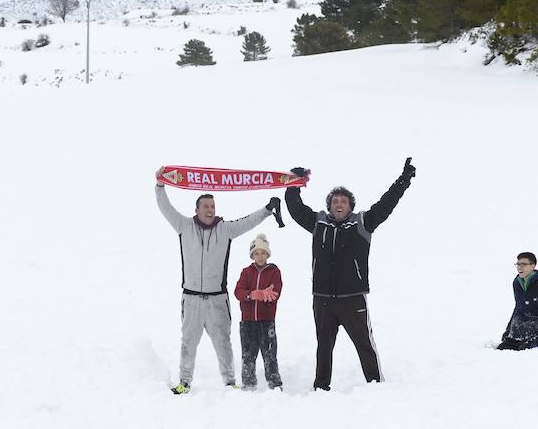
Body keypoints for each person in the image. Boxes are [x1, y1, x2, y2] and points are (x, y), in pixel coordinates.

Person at [285, 158, 416, 391]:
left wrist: (403, 180)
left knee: (365, 345)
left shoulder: (363, 223)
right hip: (323, 298)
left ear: (350, 206)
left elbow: (386, 204)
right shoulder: (318, 223)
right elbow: (296, 210)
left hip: (353, 298)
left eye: (343, 201)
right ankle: (321, 388)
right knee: (323, 347)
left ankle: (376, 386)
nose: (339, 203)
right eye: (335, 200)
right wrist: (293, 184)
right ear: (329, 205)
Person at [155, 168, 280, 394]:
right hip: (191, 299)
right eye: (206, 206)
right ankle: (184, 382)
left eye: (212, 206)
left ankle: (230, 381)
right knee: (188, 343)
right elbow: (166, 209)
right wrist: (160, 185)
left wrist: (267, 210)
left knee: (223, 343)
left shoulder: (225, 230)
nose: (210, 210)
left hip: (217, 300)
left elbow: (249, 221)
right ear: (197, 209)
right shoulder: (185, 227)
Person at [234, 233, 283, 391]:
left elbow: (275, 292)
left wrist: (267, 296)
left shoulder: (274, 272)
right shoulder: (246, 272)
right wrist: (252, 294)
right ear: (252, 255)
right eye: (256, 253)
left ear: (267, 254)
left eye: (263, 252)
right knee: (248, 355)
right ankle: (248, 384)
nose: (260, 256)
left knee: (269, 354)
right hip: (247, 322)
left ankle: (274, 384)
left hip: (266, 320)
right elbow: (238, 292)